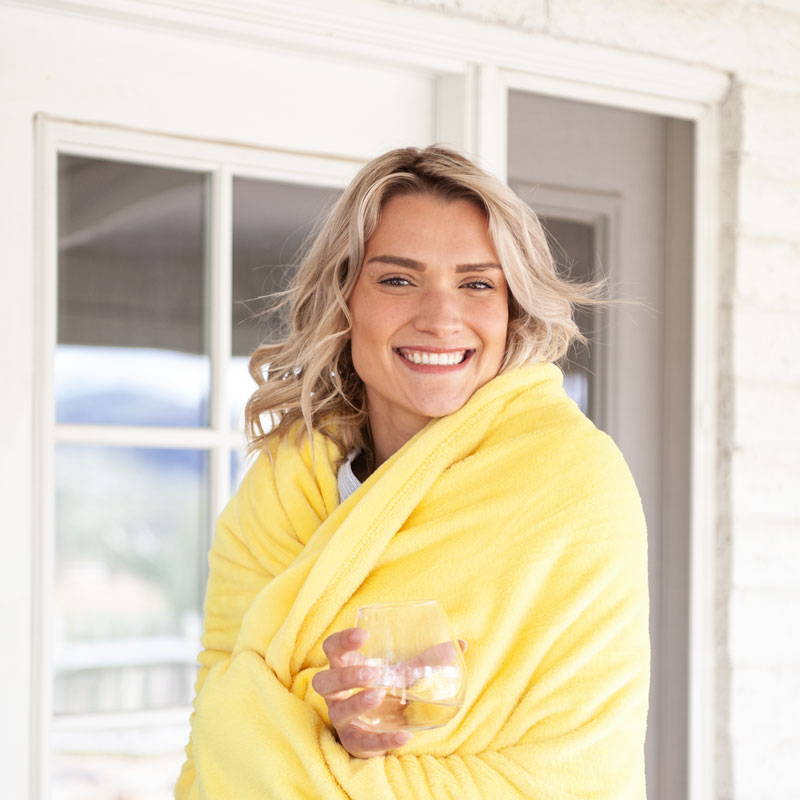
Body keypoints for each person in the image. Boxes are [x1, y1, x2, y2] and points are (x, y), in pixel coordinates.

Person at [174, 145, 650, 798]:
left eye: (477, 283)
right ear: (346, 299)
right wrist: (337, 726)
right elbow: (218, 718)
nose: (440, 317)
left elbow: (577, 771)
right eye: (398, 279)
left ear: (512, 309)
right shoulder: (285, 481)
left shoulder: (574, 485)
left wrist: (315, 734)